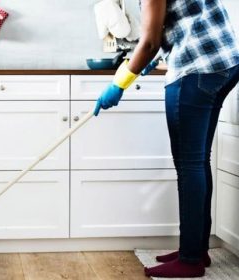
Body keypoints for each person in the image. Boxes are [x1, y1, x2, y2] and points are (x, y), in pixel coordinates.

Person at [94, 0, 239, 278]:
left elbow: (149, 41)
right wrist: (160, 57)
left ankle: (190, 260)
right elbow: (182, 21)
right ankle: (196, 249)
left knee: (189, 165)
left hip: (197, 68)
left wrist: (119, 83)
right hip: (224, 62)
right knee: (198, 162)